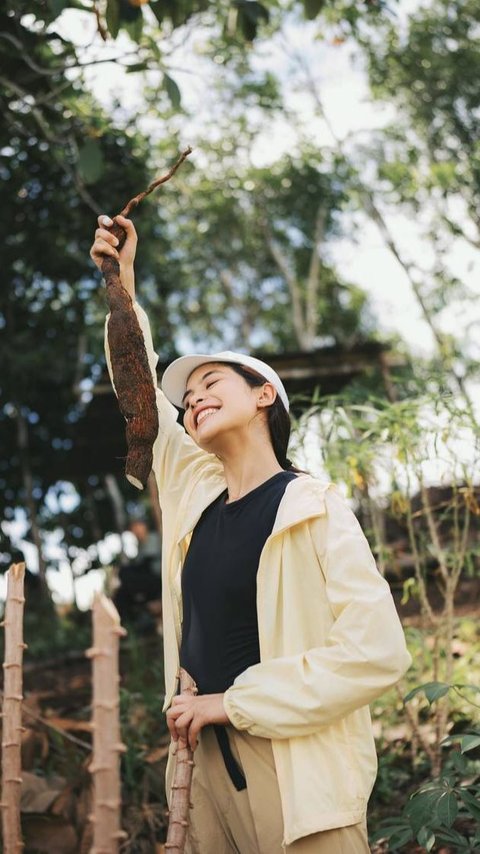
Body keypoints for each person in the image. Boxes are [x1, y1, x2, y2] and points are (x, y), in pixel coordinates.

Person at [90, 214, 412, 853]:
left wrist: (229, 703)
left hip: (297, 782)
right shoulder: (194, 497)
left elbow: (377, 651)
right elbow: (142, 393)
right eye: (190, 398)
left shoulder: (312, 506)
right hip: (205, 778)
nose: (193, 400)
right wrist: (120, 283)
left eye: (212, 383)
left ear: (265, 395)